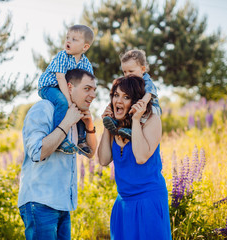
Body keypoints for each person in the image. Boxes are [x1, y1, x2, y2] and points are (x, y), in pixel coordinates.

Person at [19, 69, 97, 239]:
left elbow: (90, 153)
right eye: (87, 88)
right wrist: (67, 121)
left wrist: (89, 124)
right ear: (69, 88)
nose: (93, 95)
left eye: (94, 90)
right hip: (40, 204)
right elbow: (37, 152)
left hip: (63, 205)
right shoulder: (44, 108)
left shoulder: (77, 116)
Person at [98, 75, 171, 240]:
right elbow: (103, 160)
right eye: (116, 95)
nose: (119, 101)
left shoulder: (152, 120)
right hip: (123, 203)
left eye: (126, 97)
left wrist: (136, 119)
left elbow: (140, 157)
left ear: (136, 101)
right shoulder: (114, 126)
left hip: (149, 201)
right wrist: (106, 126)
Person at [38, 24, 94, 155]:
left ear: (85, 47)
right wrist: (69, 101)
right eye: (68, 37)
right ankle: (60, 140)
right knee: (62, 102)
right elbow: (60, 78)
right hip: (49, 86)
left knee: (81, 107)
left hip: (65, 88)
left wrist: (82, 101)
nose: (68, 41)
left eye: (74, 39)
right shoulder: (62, 56)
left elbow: (89, 82)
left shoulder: (86, 64)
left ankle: (81, 139)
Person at [103, 49, 162, 140]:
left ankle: (131, 130)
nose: (127, 75)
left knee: (140, 112)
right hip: (136, 106)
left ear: (142, 69)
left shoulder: (147, 81)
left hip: (150, 108)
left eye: (131, 71)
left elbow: (149, 94)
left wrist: (142, 104)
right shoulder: (130, 83)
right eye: (125, 72)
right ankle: (114, 123)